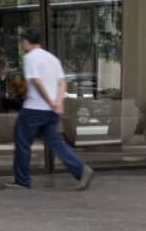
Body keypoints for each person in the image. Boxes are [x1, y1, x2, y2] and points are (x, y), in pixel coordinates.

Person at [7, 28, 96, 191]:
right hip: (51, 111)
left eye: (22, 42)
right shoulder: (52, 58)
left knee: (22, 142)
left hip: (33, 109)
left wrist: (49, 101)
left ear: (26, 42)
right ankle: (81, 169)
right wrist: (58, 102)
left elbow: (36, 81)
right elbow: (62, 82)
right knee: (56, 143)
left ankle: (22, 180)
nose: (21, 45)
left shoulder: (29, 58)